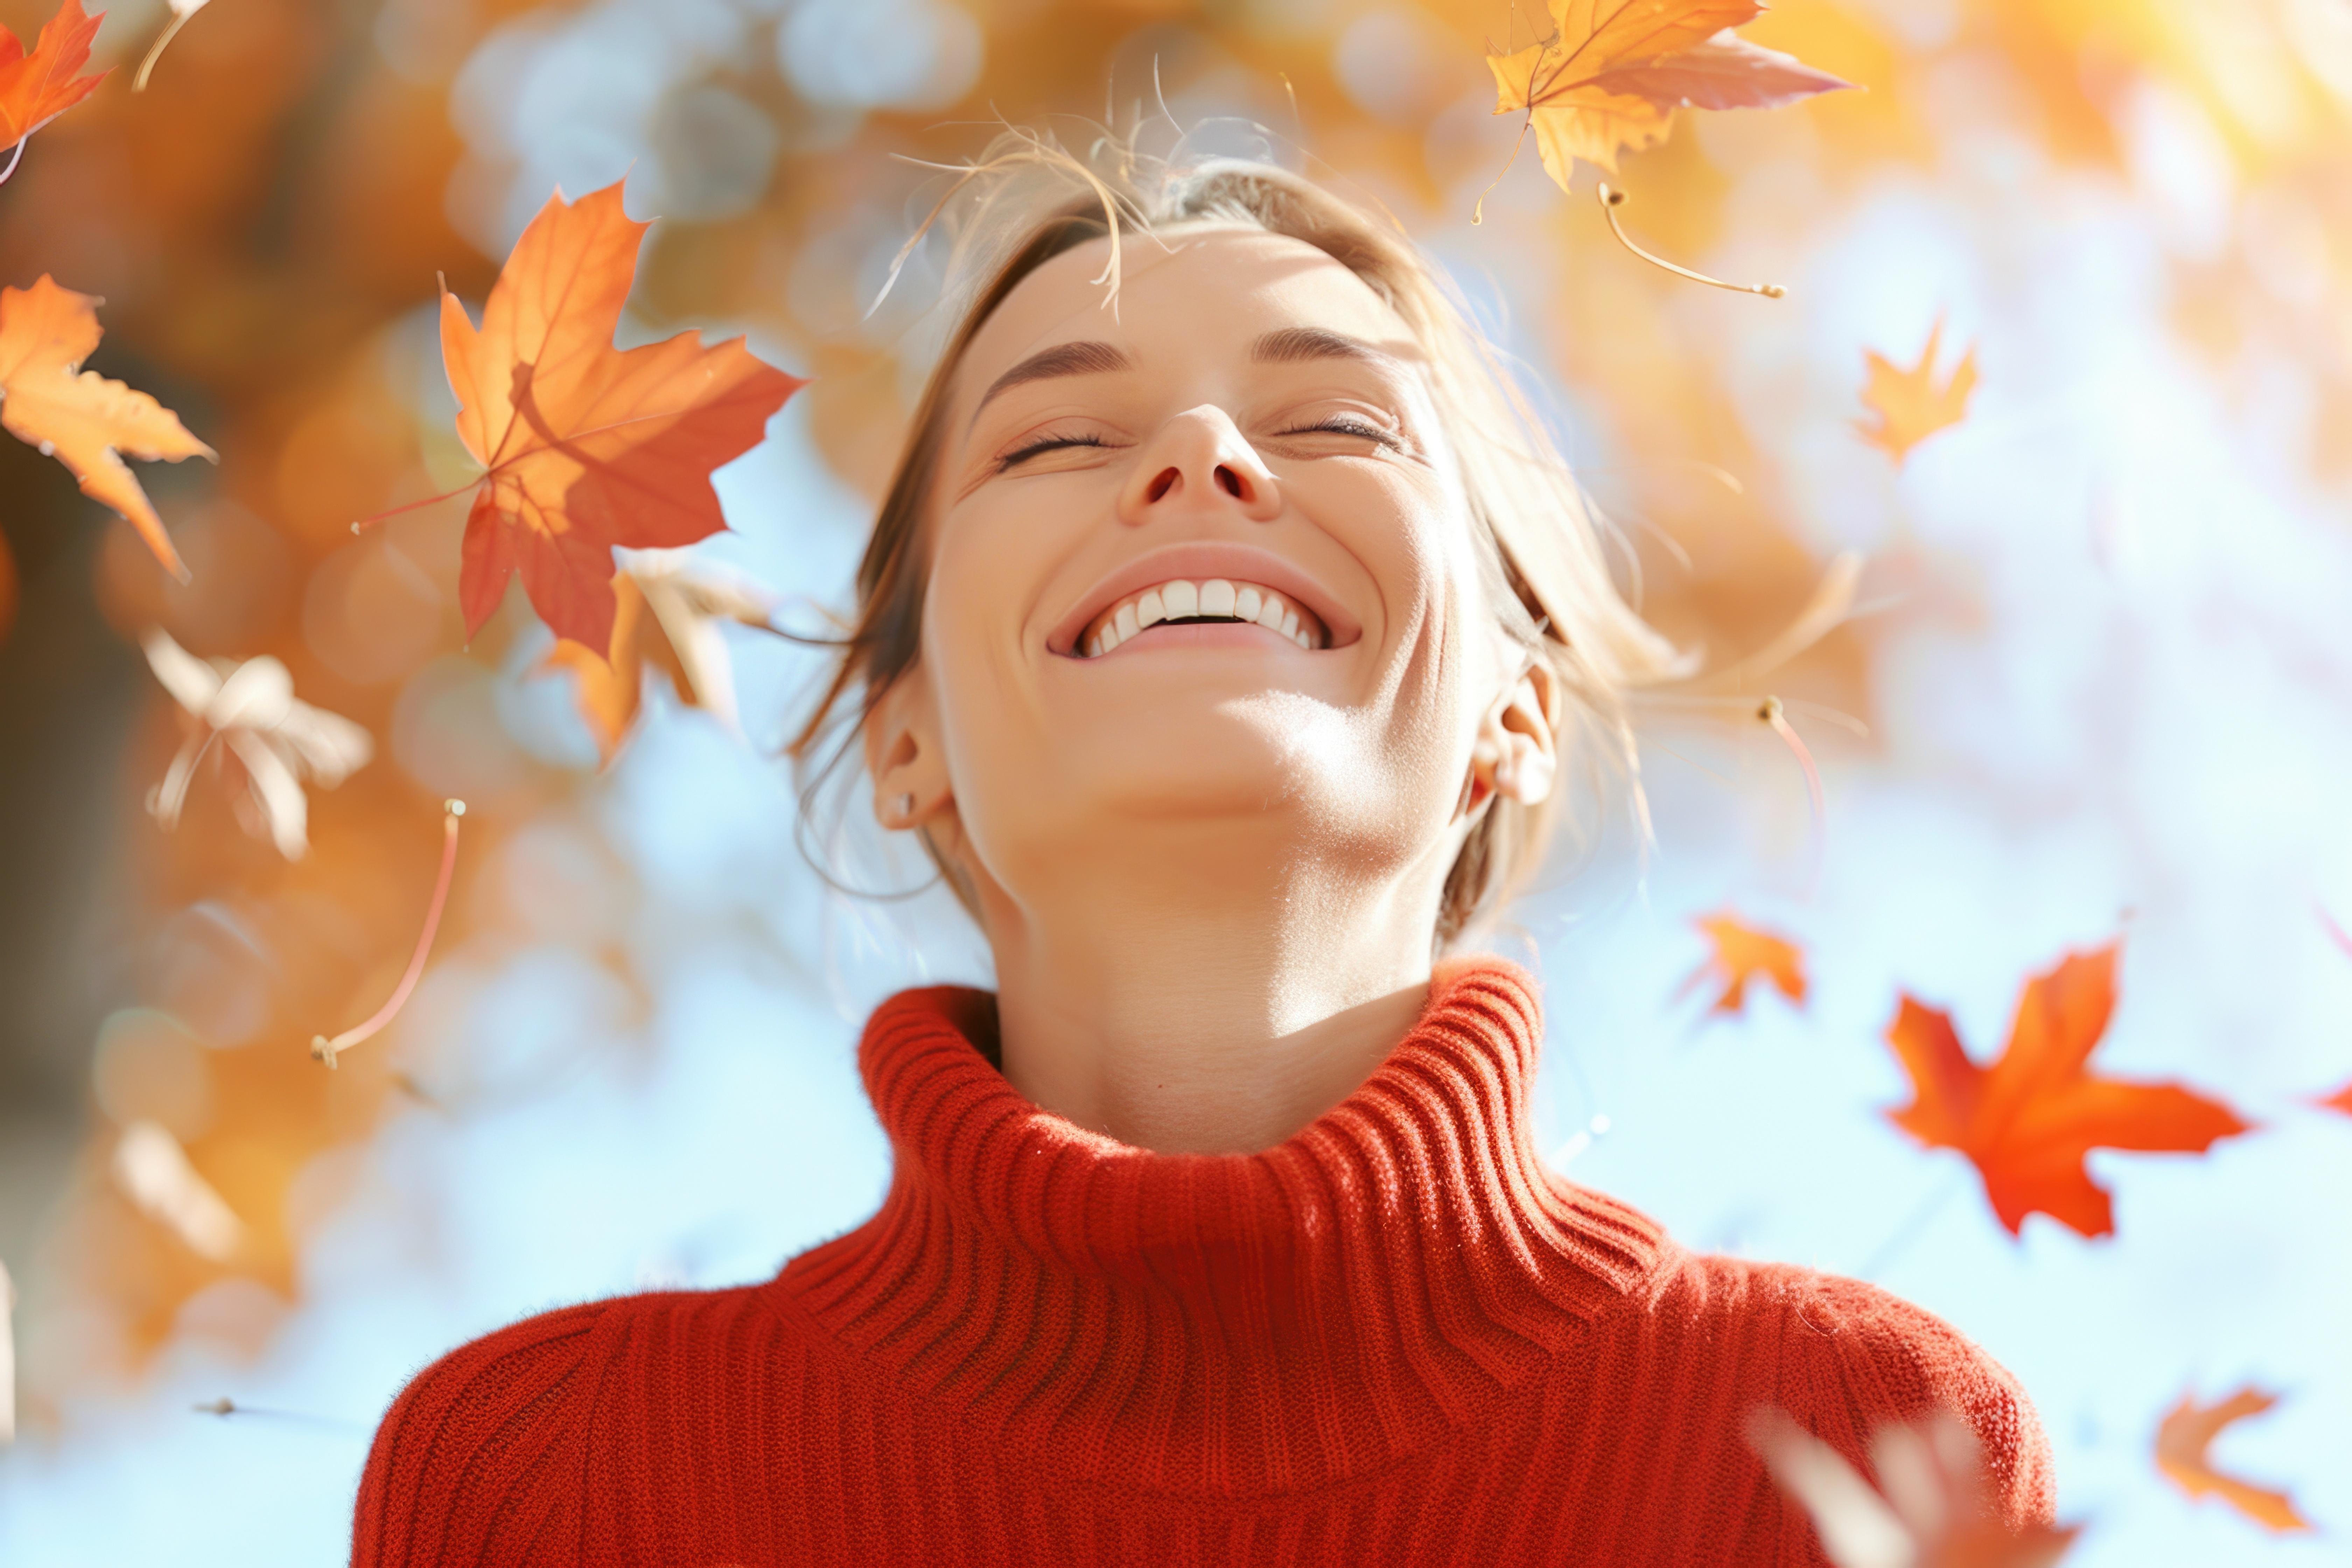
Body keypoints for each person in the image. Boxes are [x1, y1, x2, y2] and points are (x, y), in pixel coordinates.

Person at [351, 135, 2052, 1566]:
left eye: (1338, 425)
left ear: (1511, 712)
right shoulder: (548, 1484)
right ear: (905, 736)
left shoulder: (1865, 1443)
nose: (1205, 454)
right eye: (1057, 439)